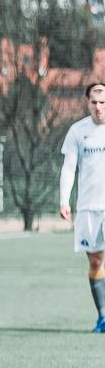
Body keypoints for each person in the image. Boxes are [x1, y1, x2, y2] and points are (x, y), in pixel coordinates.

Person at [60, 81, 105, 333]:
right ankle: (103, 316)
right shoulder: (78, 131)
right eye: (94, 102)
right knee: (96, 262)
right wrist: (63, 200)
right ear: (88, 103)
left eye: (103, 102)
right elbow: (69, 168)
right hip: (88, 208)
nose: (99, 107)